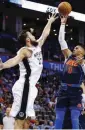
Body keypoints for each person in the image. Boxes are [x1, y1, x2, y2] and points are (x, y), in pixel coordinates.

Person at [0, 13, 57, 129]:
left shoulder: (37, 46)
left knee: (26, 121)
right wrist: (3, 65)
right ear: (27, 39)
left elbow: (45, 34)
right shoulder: (25, 50)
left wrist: (50, 21)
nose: (33, 35)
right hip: (24, 87)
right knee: (19, 120)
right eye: (31, 35)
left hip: (30, 87)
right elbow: (15, 60)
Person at [55, 16, 85, 129]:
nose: (75, 49)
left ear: (83, 52)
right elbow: (61, 40)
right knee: (59, 118)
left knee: (74, 119)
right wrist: (62, 24)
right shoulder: (68, 55)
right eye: (75, 47)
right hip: (63, 90)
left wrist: (82, 64)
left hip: (76, 91)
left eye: (78, 48)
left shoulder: (84, 62)